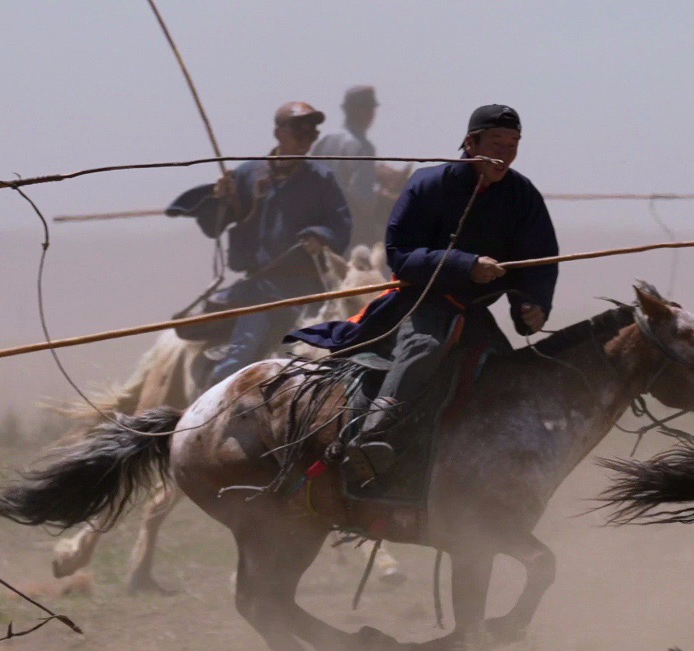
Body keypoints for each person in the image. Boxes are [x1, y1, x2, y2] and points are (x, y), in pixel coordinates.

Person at [291, 103, 558, 480]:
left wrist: (532, 305)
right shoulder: (429, 184)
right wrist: (466, 265)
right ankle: (368, 440)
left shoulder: (522, 196)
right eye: (497, 142)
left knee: (507, 374)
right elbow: (399, 254)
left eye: (514, 143)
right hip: (421, 303)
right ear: (471, 142)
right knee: (425, 349)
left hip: (475, 313)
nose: (506, 152)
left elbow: (538, 260)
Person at [175, 102, 352, 384]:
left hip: (306, 291)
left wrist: (321, 235)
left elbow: (341, 224)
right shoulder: (247, 174)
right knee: (240, 357)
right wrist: (221, 199)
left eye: (311, 133)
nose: (306, 138)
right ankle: (206, 414)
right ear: (278, 132)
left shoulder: (322, 178)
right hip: (258, 291)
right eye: (299, 131)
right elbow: (214, 227)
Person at [309, 85, 391, 246]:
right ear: (365, 112)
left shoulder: (325, 141)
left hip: (319, 226)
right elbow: (362, 198)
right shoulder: (362, 146)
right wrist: (384, 198)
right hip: (350, 231)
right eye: (370, 109)